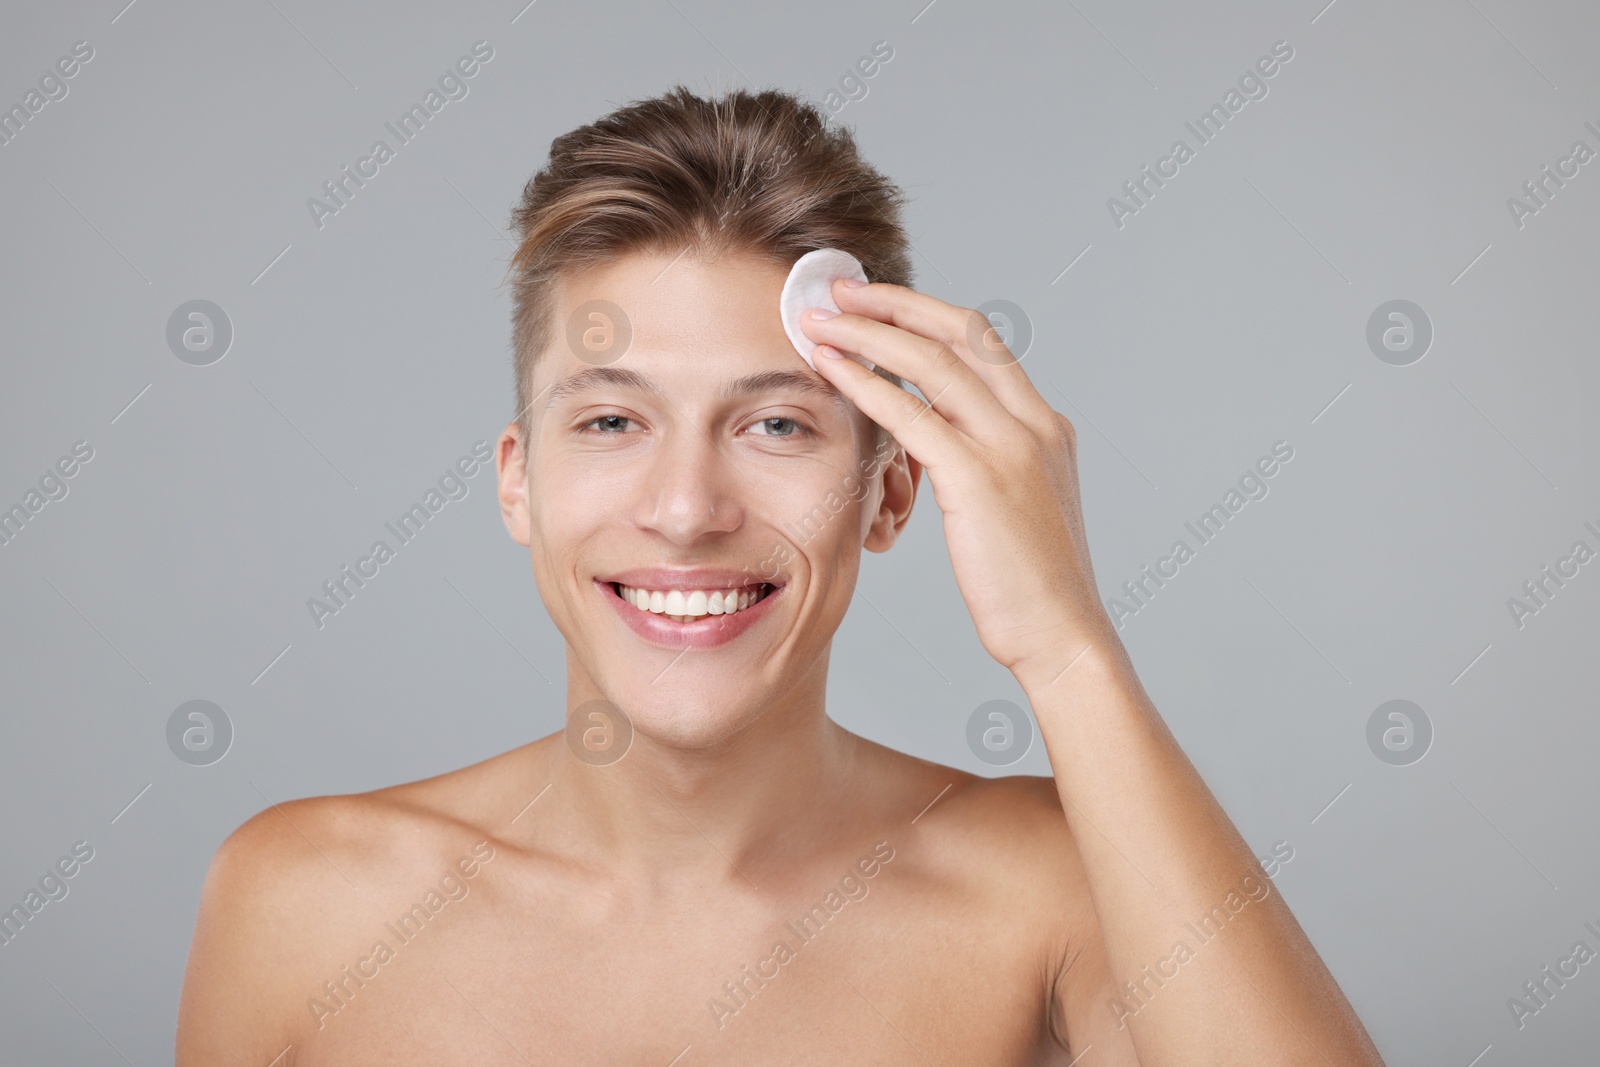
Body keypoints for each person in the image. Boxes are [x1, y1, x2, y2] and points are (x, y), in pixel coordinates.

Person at [176, 86, 1387, 1066]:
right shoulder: (302, 901)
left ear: (894, 490)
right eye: (609, 421)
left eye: (776, 426)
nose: (688, 509)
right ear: (516, 480)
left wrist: (1066, 646)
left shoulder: (1048, 891)